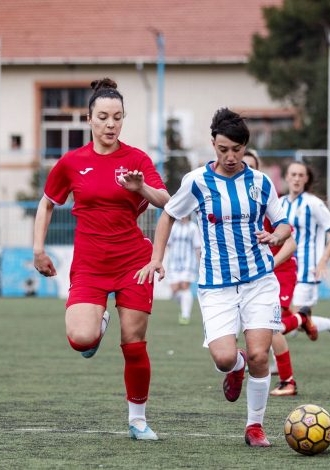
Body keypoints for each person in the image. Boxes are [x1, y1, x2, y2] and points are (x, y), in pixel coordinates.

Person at [135, 108, 291, 447]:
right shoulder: (196, 181)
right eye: (223, 149)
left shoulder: (261, 182)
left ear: (245, 146)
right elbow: (168, 215)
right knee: (224, 358)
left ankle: (254, 427)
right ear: (213, 145)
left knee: (260, 355)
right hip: (216, 284)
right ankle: (236, 367)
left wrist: (276, 235)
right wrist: (157, 258)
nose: (230, 157)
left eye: (236, 149)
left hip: (259, 280)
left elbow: (283, 223)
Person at [33, 78, 170, 441]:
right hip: (90, 265)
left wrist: (141, 187)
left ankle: (137, 420)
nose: (111, 124)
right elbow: (47, 203)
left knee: (133, 341)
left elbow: (166, 202)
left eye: (118, 117)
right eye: (104, 117)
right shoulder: (72, 162)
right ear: (89, 119)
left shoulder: (137, 160)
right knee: (81, 338)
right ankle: (97, 325)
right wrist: (38, 249)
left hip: (133, 262)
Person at [243, 150, 317, 398]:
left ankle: (288, 381)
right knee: (264, 328)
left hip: (280, 270)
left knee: (271, 328)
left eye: (251, 167)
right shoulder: (232, 201)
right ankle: (301, 319)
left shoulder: (263, 200)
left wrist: (270, 264)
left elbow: (291, 244)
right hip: (255, 274)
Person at [280, 162, 330, 355]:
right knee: (279, 318)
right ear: (287, 177)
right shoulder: (280, 203)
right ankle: (274, 363)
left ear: (306, 179)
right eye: (293, 174)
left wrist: (323, 260)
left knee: (296, 321)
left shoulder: (313, 203)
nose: (296, 179)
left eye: (301, 175)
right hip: (285, 269)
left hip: (307, 269)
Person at [165, 214, 201, 325]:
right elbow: (168, 244)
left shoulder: (193, 228)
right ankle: (185, 305)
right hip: (174, 263)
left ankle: (185, 315)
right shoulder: (174, 226)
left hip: (188, 263)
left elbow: (197, 247)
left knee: (185, 286)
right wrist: (163, 260)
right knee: (174, 289)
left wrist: (199, 263)